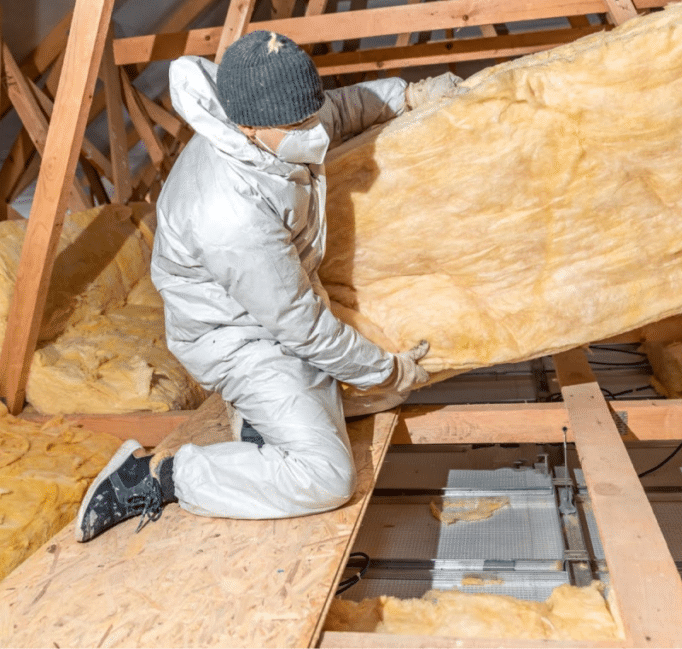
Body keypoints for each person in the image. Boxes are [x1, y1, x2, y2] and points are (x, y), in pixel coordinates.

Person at [75, 30, 461, 542]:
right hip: (237, 338)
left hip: (276, 310)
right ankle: (157, 476)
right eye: (299, 124)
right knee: (326, 476)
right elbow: (300, 327)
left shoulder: (273, 117)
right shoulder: (228, 211)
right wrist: (386, 368)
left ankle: (265, 423)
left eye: (309, 113)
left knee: (382, 395)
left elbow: (339, 109)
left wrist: (409, 94)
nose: (316, 132)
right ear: (249, 125)